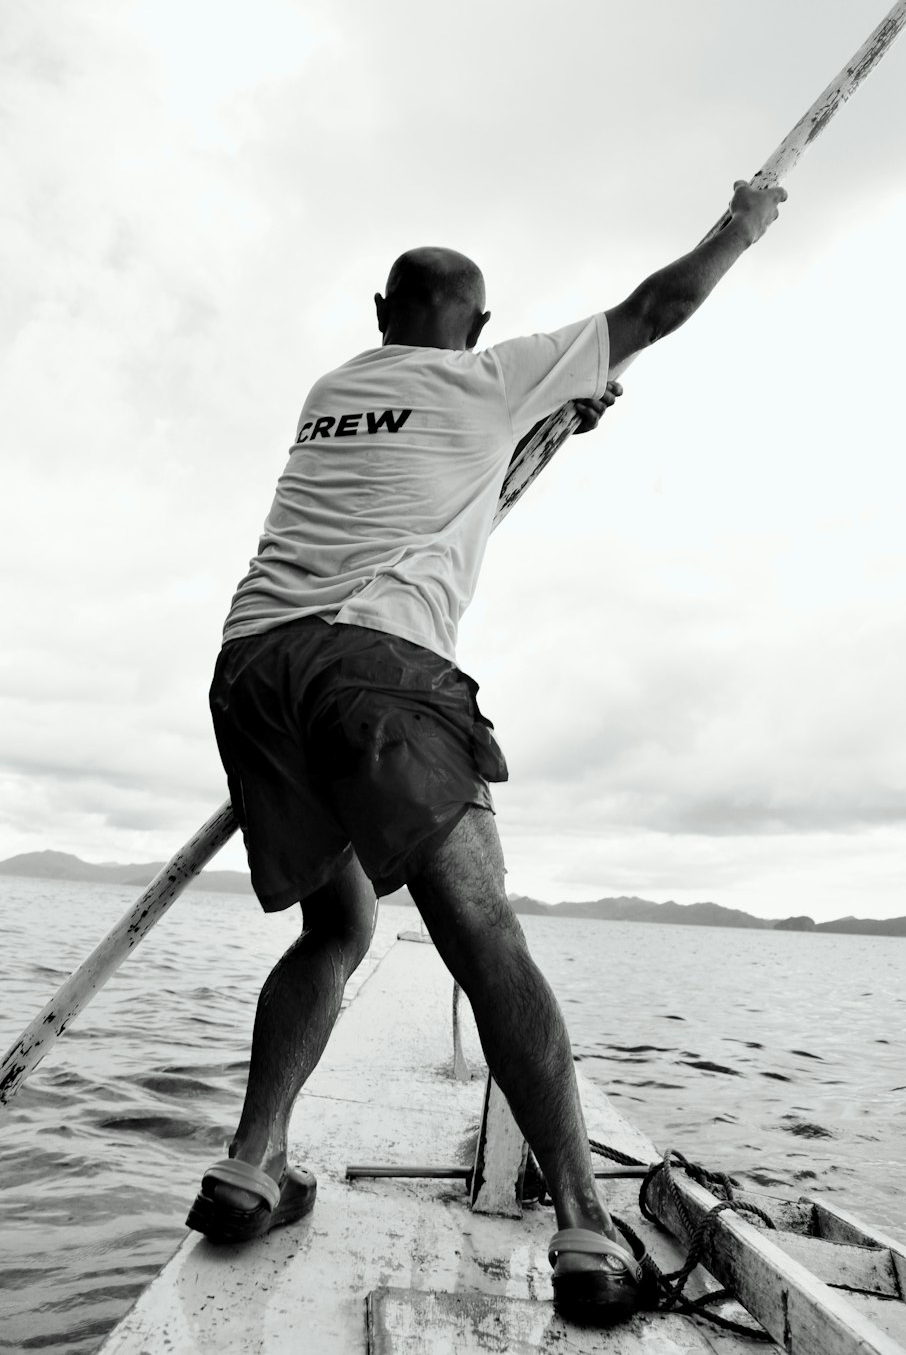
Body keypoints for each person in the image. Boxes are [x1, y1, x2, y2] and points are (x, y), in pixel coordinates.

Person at [186, 179, 786, 1324]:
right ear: (477, 324)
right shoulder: (486, 375)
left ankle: (251, 1161)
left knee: (340, 926)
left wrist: (550, 422)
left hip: (253, 663)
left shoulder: (334, 388)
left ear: (378, 311)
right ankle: (582, 1221)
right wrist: (741, 226)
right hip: (377, 669)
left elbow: (443, 478)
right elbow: (655, 308)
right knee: (478, 927)